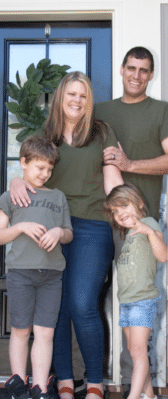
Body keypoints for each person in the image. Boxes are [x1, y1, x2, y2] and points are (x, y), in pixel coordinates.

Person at [9, 71, 124, 399]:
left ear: (89, 101)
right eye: (71, 94)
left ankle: (95, 383)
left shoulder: (102, 132)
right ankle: (62, 381)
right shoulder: (44, 133)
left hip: (91, 227)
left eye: (83, 95)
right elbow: (28, 172)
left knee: (83, 301)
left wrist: (127, 217)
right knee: (54, 307)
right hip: (50, 227)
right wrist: (17, 181)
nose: (77, 100)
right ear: (60, 98)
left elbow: (112, 179)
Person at [94, 46, 168, 397]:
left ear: (151, 74)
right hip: (95, 219)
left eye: (144, 70)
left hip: (139, 223)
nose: (136, 75)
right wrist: (19, 180)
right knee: (90, 300)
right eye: (131, 68)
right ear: (121, 69)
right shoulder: (100, 111)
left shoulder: (161, 111)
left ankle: (136, 387)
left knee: (139, 304)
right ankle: (134, 389)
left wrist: (130, 164)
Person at [0, 136, 73, 399]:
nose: (45, 174)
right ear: (23, 163)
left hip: (52, 275)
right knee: (20, 329)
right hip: (21, 273)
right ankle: (18, 384)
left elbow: (68, 233)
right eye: (39, 168)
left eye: (49, 169)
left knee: (45, 331)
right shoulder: (11, 196)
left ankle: (40, 387)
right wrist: (20, 227)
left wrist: (58, 232)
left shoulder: (58, 197)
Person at [103, 184, 167, 399]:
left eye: (124, 205)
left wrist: (149, 232)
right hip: (127, 301)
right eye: (115, 211)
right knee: (134, 352)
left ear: (139, 203)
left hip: (142, 300)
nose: (120, 213)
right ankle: (149, 395)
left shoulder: (148, 224)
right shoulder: (128, 234)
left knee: (138, 354)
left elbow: (163, 255)